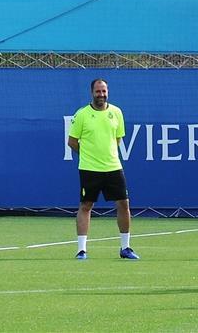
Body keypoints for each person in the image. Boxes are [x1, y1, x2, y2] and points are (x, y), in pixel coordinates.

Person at [67, 79, 139, 260]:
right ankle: (81, 250)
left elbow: (117, 139)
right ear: (92, 92)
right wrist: (89, 156)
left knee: (124, 204)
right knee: (86, 205)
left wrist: (107, 156)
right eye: (98, 91)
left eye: (104, 91)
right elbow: (72, 142)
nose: (101, 95)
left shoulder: (116, 112)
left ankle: (125, 247)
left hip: (113, 167)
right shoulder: (82, 114)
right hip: (89, 168)